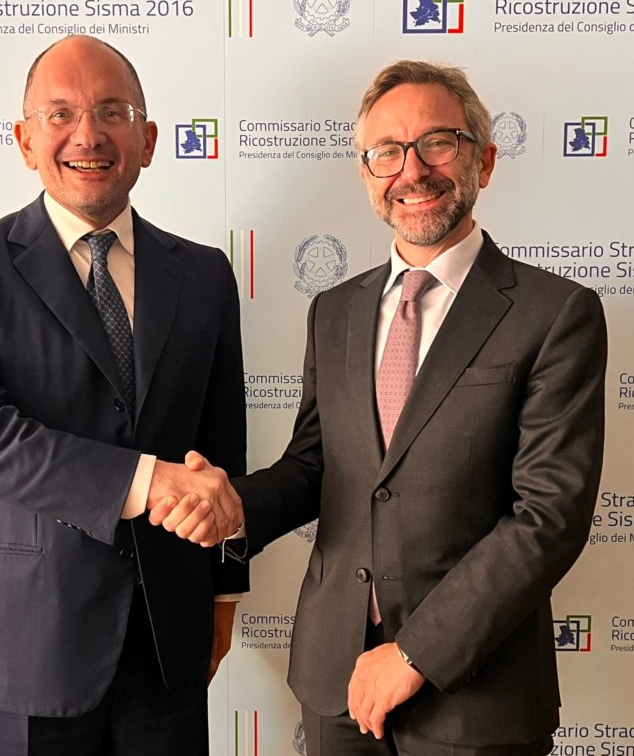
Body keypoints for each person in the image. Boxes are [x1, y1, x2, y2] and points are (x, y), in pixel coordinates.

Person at [165, 60, 608, 755]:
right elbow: (316, 467)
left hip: (476, 693)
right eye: (387, 152)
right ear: (367, 173)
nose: (412, 170)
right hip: (334, 682)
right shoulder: (334, 310)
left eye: (438, 143)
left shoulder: (555, 314)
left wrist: (413, 654)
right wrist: (233, 508)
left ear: (484, 160)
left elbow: (549, 516)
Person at [0, 35, 246, 756]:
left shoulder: (205, 274)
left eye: (113, 112)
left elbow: (222, 445)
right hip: (20, 647)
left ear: (148, 140)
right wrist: (149, 482)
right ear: (24, 139)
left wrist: (224, 591)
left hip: (168, 641)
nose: (88, 135)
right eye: (60, 114)